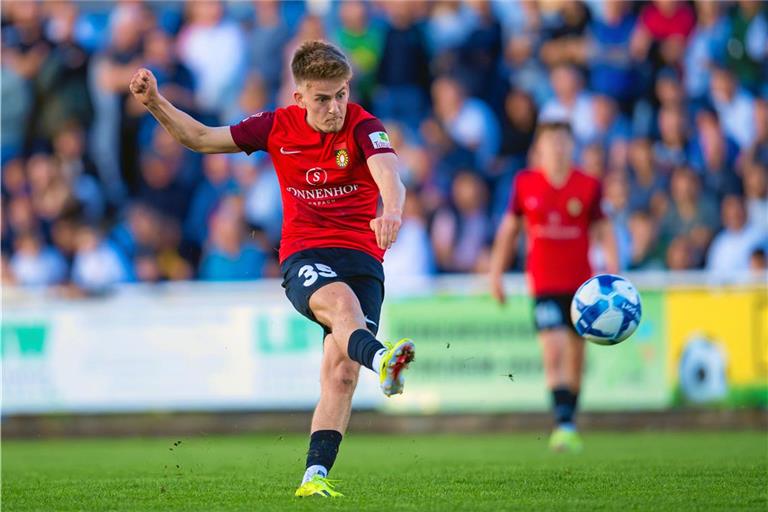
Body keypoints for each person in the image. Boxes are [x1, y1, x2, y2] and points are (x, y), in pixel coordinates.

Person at [129, 40, 414, 498]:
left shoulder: (364, 125)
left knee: (341, 372)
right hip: (306, 255)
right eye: (322, 98)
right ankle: (383, 358)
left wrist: (393, 211)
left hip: (363, 258)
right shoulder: (275, 127)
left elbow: (389, 174)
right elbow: (200, 138)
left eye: (341, 94)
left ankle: (313, 479)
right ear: (299, 97)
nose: (335, 107)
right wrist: (155, 102)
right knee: (342, 306)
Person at [488, 109, 618, 453]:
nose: (558, 148)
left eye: (563, 141)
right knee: (554, 349)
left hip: (583, 289)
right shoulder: (525, 183)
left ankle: (569, 419)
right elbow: (509, 231)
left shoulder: (588, 185)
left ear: (571, 146)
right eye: (551, 141)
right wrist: (496, 274)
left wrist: (615, 274)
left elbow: (605, 230)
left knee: (576, 357)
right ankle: (562, 423)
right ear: (540, 147)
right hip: (544, 284)